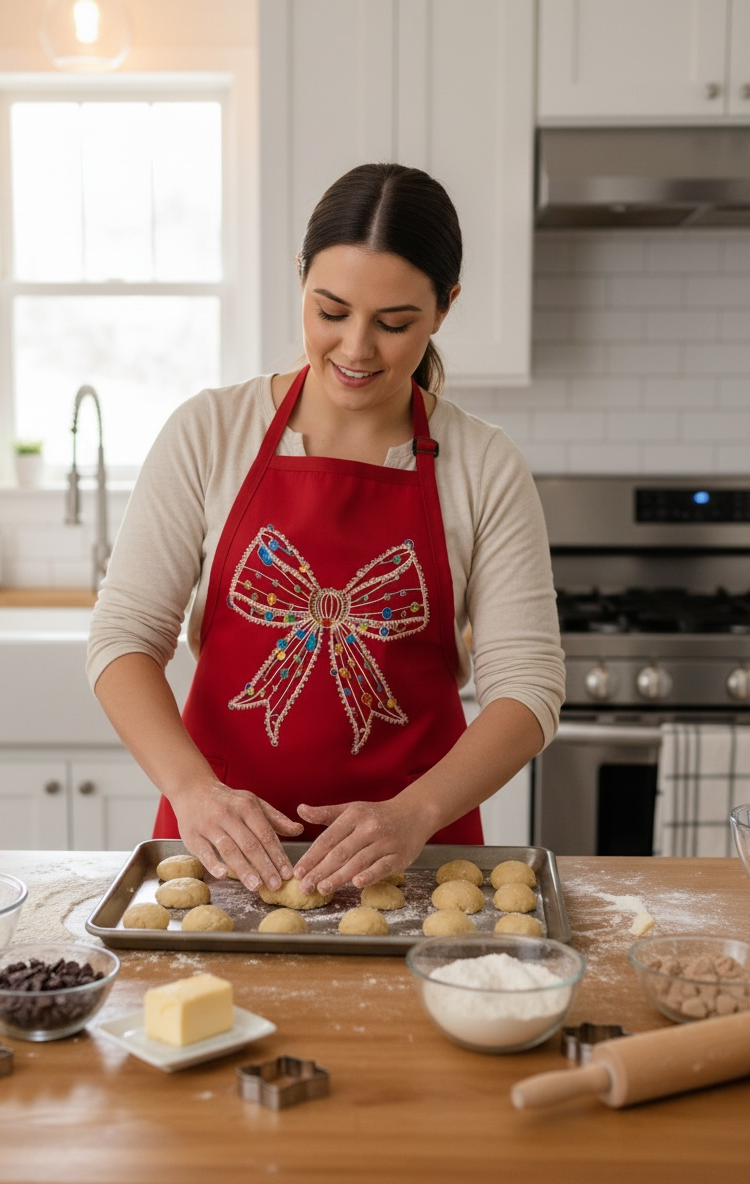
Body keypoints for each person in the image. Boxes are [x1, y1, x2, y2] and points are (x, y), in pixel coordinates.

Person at [87, 162, 564, 899]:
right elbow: (122, 637)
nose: (355, 349)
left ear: (444, 309)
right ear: (301, 280)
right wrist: (192, 788)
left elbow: (528, 686)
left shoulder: (484, 465)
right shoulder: (211, 433)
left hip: (415, 863)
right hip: (222, 856)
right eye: (330, 311)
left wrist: (415, 815)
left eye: (394, 323)